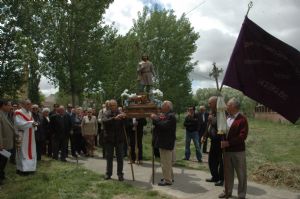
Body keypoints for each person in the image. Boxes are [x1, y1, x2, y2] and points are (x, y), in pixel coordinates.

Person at [218, 98, 248, 199]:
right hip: (227, 152)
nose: (226, 106)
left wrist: (229, 143)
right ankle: (227, 191)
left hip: (238, 152)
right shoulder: (226, 117)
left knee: (241, 174)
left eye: (228, 105)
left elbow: (242, 136)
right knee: (227, 173)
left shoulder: (242, 119)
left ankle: (241, 194)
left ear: (234, 107)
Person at [150, 100, 176, 186]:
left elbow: (164, 126)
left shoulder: (171, 116)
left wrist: (156, 118)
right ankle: (169, 177)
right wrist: (155, 118)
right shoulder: (166, 115)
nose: (161, 107)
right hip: (163, 141)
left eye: (163, 105)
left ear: (168, 107)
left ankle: (167, 180)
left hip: (166, 142)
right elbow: (158, 124)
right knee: (166, 161)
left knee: (165, 162)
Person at [202, 96, 224, 186]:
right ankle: (215, 176)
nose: (209, 105)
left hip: (220, 141)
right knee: (212, 161)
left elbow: (221, 125)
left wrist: (212, 119)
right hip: (213, 141)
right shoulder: (212, 112)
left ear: (215, 103)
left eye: (210, 103)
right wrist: (204, 136)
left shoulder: (222, 112)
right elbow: (209, 126)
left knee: (221, 161)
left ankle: (221, 179)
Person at [102, 100, 126, 181]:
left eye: (114, 105)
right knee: (109, 157)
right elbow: (104, 121)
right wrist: (114, 118)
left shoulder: (121, 112)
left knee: (120, 158)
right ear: (109, 106)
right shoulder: (106, 113)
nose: (113, 107)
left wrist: (125, 118)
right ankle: (108, 173)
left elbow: (127, 124)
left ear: (116, 105)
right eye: (111, 105)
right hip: (109, 139)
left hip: (119, 139)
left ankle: (120, 174)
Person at [14, 99, 37, 175]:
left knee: (31, 151)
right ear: (23, 104)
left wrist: (35, 124)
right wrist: (31, 123)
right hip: (23, 135)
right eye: (28, 104)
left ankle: (30, 169)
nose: (30, 105)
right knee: (22, 151)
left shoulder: (30, 113)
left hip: (31, 135)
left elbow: (32, 122)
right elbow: (19, 123)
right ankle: (22, 169)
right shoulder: (18, 112)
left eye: (30, 104)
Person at [0, 99, 14, 185]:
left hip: (6, 143)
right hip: (2, 144)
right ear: (3, 106)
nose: (11, 107)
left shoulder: (5, 115)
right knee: (1, 162)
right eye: (9, 105)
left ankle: (2, 175)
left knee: (4, 161)